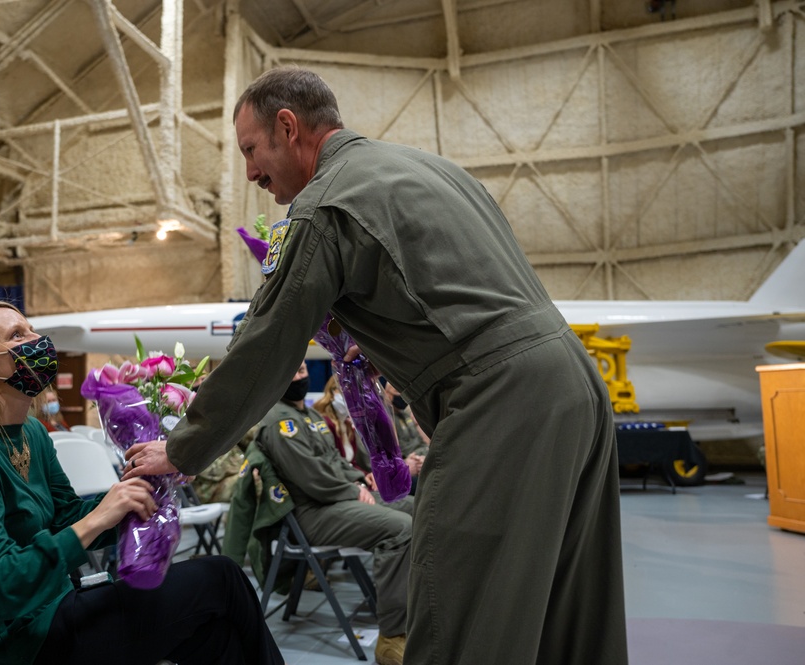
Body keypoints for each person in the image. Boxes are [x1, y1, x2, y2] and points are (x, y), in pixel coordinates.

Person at [127, 67, 628, 664]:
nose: (252, 173)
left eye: (252, 151)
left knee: (458, 617)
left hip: (500, 402)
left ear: (288, 128)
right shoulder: (433, 170)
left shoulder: (322, 206)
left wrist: (182, 449)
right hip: (575, 386)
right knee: (569, 615)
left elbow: (266, 344)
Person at [0, 300, 284, 665]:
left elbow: (65, 516)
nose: (37, 340)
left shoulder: (30, 431)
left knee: (216, 631)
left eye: (31, 329)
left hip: (52, 609)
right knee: (221, 579)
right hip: (16, 641)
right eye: (18, 335)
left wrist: (143, 490)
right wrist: (99, 517)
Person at [256, 361, 412, 665]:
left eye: (302, 370)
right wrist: (353, 490)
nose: (299, 376)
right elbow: (311, 477)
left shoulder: (310, 415)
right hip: (313, 512)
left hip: (336, 500)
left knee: (415, 505)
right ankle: (392, 636)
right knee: (401, 529)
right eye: (292, 371)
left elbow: (334, 460)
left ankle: (415, 606)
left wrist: (357, 478)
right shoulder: (278, 421)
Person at [311, 375, 372, 479]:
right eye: (345, 392)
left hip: (352, 480)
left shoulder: (347, 425)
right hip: (339, 482)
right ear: (332, 392)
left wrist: (366, 476)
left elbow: (351, 464)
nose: (351, 398)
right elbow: (331, 466)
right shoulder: (325, 423)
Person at [382, 380, 426, 494]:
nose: (400, 396)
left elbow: (422, 442)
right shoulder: (388, 421)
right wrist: (416, 462)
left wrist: (424, 458)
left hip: (421, 459)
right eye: (396, 392)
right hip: (410, 465)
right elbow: (399, 451)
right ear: (387, 395)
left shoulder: (406, 415)